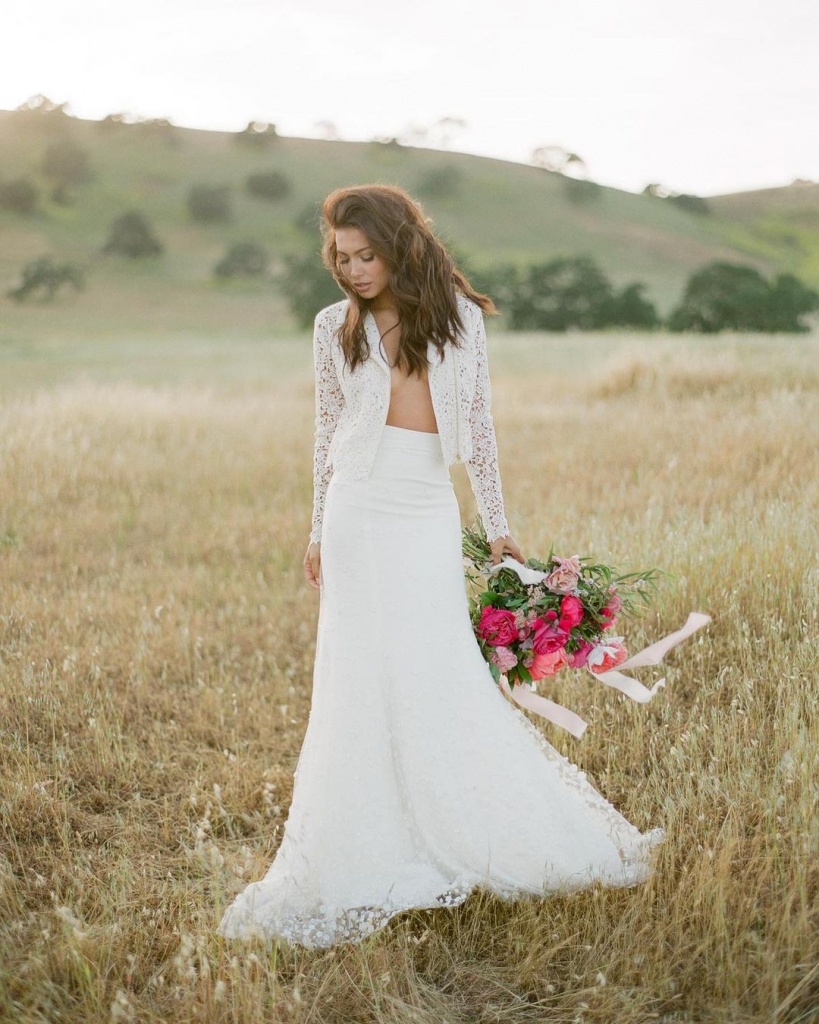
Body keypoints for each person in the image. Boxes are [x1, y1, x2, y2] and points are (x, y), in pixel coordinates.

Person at [217, 184, 662, 949]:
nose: (353, 270)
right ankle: (364, 839)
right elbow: (326, 432)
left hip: (423, 504)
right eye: (341, 258)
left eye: (366, 254)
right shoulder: (334, 326)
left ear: (399, 243)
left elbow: (479, 427)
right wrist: (317, 527)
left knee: (438, 665)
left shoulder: (456, 321)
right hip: (357, 505)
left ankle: (468, 823)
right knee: (357, 673)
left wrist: (498, 526)